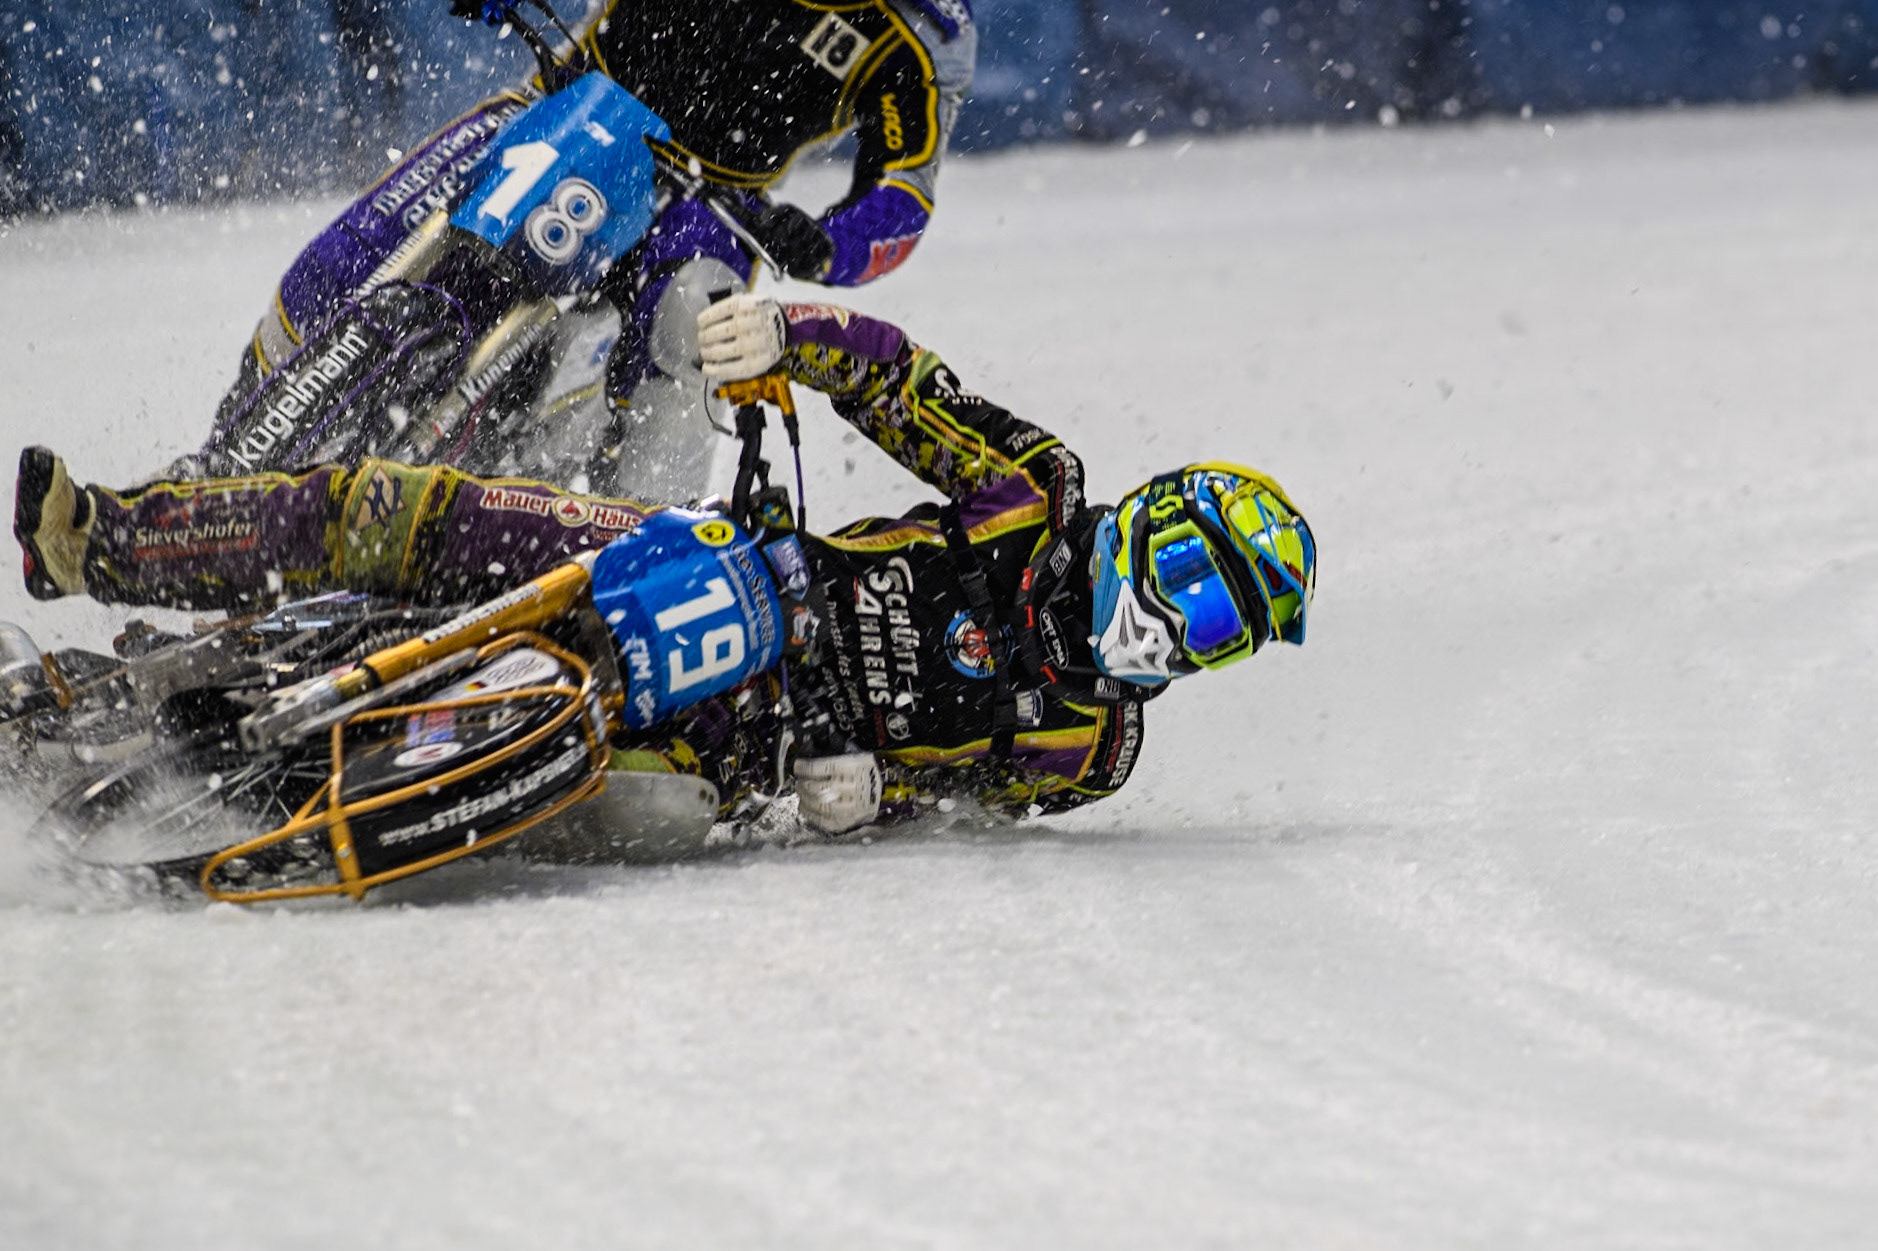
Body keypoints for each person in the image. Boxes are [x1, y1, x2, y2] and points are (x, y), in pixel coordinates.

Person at [16, 297, 1314, 833]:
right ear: (1157, 524)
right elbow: (906, 387)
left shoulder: (1084, 751)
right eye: (1196, 587)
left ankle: (230, 779)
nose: (1178, 631)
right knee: (406, 512)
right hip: (718, 561)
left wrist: (849, 801)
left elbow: (948, 809)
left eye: (1219, 634)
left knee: (522, 752)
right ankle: (106, 540)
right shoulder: (1037, 496)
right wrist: (789, 332)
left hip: (746, 733)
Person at [190, 0, 977, 501]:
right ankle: (212, 468)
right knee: (345, 260)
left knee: (693, 334)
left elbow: (905, 197)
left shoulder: (926, 25)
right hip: (565, 104)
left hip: (710, 203)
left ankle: (630, 553)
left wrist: (829, 245)